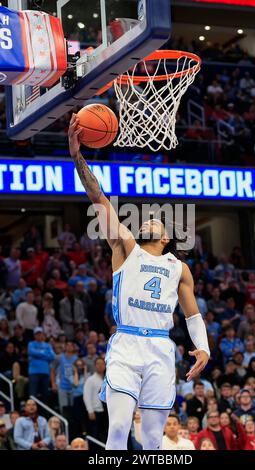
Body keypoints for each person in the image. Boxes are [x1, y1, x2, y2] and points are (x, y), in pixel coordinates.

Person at [68, 114, 210, 450]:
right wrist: (77, 156)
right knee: (117, 429)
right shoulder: (125, 247)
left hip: (161, 348)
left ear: (165, 239)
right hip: (127, 344)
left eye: (155, 221)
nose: (148, 220)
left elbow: (192, 315)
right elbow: (98, 198)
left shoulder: (179, 268)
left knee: (151, 438)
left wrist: (203, 347)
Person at [83, 358, 107, 442]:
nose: (100, 366)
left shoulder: (107, 380)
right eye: (98, 364)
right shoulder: (90, 380)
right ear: (95, 366)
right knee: (94, 435)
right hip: (95, 412)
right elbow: (86, 396)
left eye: (102, 364)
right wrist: (90, 411)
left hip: (106, 412)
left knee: (104, 435)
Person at [28, 327, 55, 402]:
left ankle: (44, 413)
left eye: (40, 334)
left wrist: (38, 354)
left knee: (45, 395)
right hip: (34, 372)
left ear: (43, 335)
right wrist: (44, 354)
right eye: (37, 334)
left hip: (45, 372)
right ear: (34, 335)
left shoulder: (47, 345)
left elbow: (52, 356)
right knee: (33, 394)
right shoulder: (31, 344)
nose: (39, 335)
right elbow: (31, 352)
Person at [51, 341, 78, 415]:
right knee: (63, 409)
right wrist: (53, 383)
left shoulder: (76, 358)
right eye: (67, 345)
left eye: (71, 345)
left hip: (73, 388)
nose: (69, 347)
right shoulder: (59, 357)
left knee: (73, 410)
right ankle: (64, 426)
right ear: (65, 347)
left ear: (73, 347)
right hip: (62, 387)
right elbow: (52, 371)